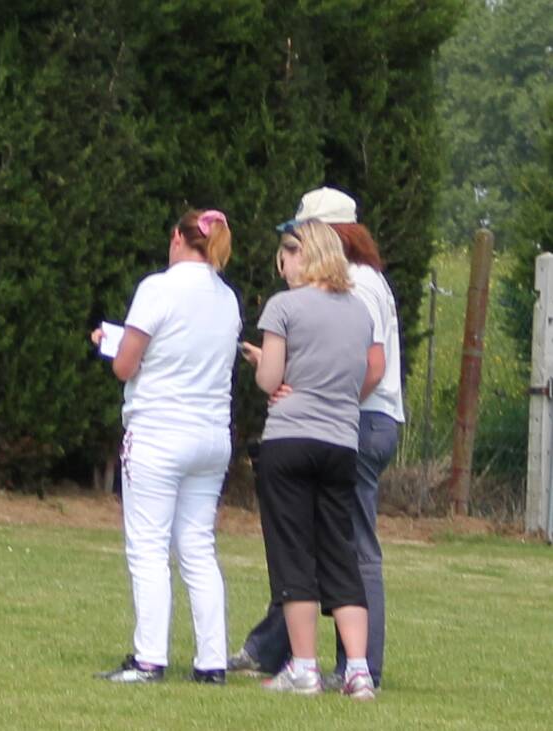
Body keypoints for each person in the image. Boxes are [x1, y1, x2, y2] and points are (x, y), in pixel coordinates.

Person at [229, 188, 402, 690]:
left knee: (329, 550)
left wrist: (316, 391)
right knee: (337, 548)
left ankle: (344, 663)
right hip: (347, 432)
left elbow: (370, 366)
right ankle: (302, 656)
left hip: (344, 423)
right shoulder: (366, 289)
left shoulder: (344, 291)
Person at [92, 209, 241, 684]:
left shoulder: (157, 289)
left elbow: (127, 365)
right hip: (211, 433)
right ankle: (211, 661)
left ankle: (149, 657)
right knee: (198, 545)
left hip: (159, 430)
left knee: (149, 547)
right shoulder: (228, 298)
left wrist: (107, 343)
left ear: (179, 239)